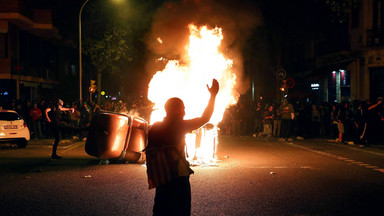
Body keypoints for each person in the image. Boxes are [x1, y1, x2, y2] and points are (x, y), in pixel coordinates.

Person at [145, 79, 219, 216]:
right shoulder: (180, 125)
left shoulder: (154, 127)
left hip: (162, 177)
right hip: (178, 177)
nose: (185, 111)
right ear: (176, 110)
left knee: (161, 209)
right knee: (181, 210)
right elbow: (205, 118)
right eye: (183, 108)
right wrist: (213, 95)